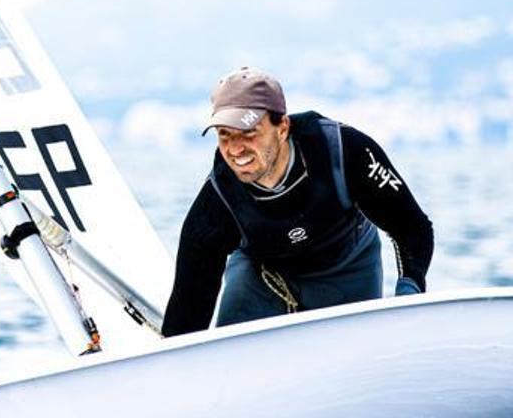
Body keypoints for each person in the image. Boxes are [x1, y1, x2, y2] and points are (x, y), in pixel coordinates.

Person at [161, 67, 434, 337]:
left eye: (248, 132)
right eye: (224, 134)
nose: (235, 149)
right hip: (262, 277)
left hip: (346, 269)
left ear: (282, 127)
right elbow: (190, 301)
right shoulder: (219, 197)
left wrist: (408, 297)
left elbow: (413, 229)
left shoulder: (343, 150)